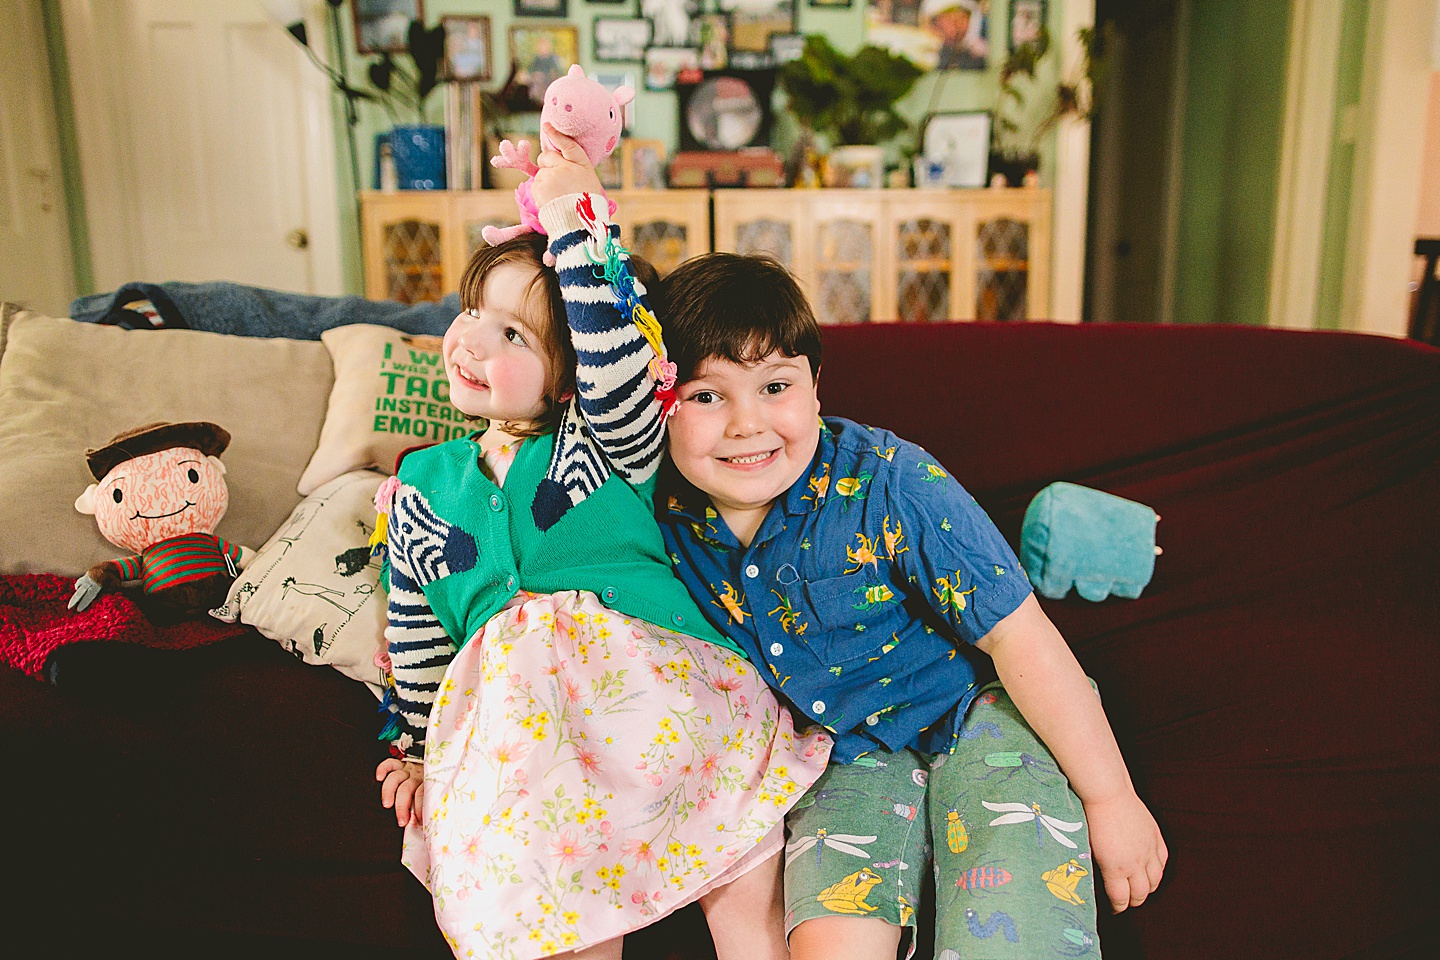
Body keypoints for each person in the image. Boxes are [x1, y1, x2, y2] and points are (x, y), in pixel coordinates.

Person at [372, 133, 830, 960]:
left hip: (664, 704)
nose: (473, 340)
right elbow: (416, 633)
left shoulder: (607, 439)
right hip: (525, 742)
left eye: (516, 336)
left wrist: (571, 217)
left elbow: (612, 350)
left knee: (745, 894)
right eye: (474, 314)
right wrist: (406, 742)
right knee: (544, 895)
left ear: (571, 373)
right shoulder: (422, 484)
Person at [655, 254, 1167, 959]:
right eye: (705, 396)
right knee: (829, 945)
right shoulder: (659, 519)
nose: (748, 424)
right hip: (842, 757)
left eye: (775, 386)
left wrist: (1112, 800)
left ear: (814, 388)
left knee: (1014, 926)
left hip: (979, 712)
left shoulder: (889, 480)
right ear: (656, 406)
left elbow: (1020, 637)